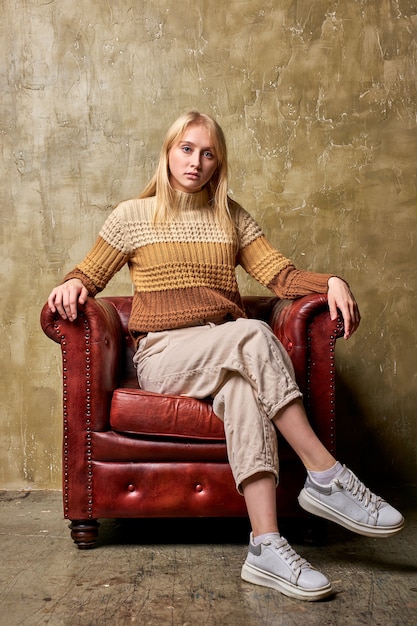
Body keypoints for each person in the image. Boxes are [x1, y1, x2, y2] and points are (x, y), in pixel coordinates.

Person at [48, 111, 404, 602]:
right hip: (165, 354)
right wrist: (70, 283)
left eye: (208, 153)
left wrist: (331, 283)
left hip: (225, 352)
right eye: (186, 149)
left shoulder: (231, 217)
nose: (196, 162)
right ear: (169, 152)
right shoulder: (133, 216)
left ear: (219, 163)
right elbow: (88, 274)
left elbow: (280, 276)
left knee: (243, 390)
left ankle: (265, 547)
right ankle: (325, 474)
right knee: (252, 335)